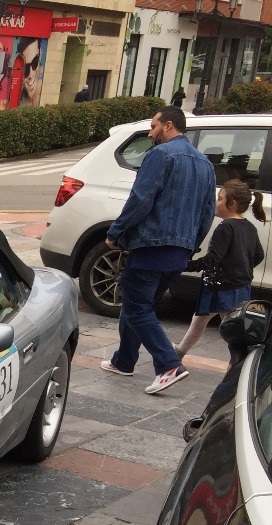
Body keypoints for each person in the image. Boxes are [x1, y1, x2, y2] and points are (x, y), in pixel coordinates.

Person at [101, 106, 217, 394]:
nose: (151, 133)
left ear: (168, 126)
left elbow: (141, 199)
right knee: (139, 304)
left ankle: (169, 365)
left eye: (153, 127)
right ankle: (124, 361)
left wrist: (116, 233)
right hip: (179, 250)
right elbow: (207, 212)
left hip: (151, 245)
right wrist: (190, 244)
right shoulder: (205, 164)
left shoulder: (160, 155)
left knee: (137, 306)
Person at [175, 179, 266, 356]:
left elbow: (212, 260)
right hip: (238, 285)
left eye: (220, 199)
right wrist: (242, 268)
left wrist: (183, 265)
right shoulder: (249, 227)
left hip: (222, 287)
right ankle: (180, 351)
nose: (216, 203)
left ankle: (239, 363)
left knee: (231, 329)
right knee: (200, 319)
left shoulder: (225, 228)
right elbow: (259, 255)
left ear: (231, 204)